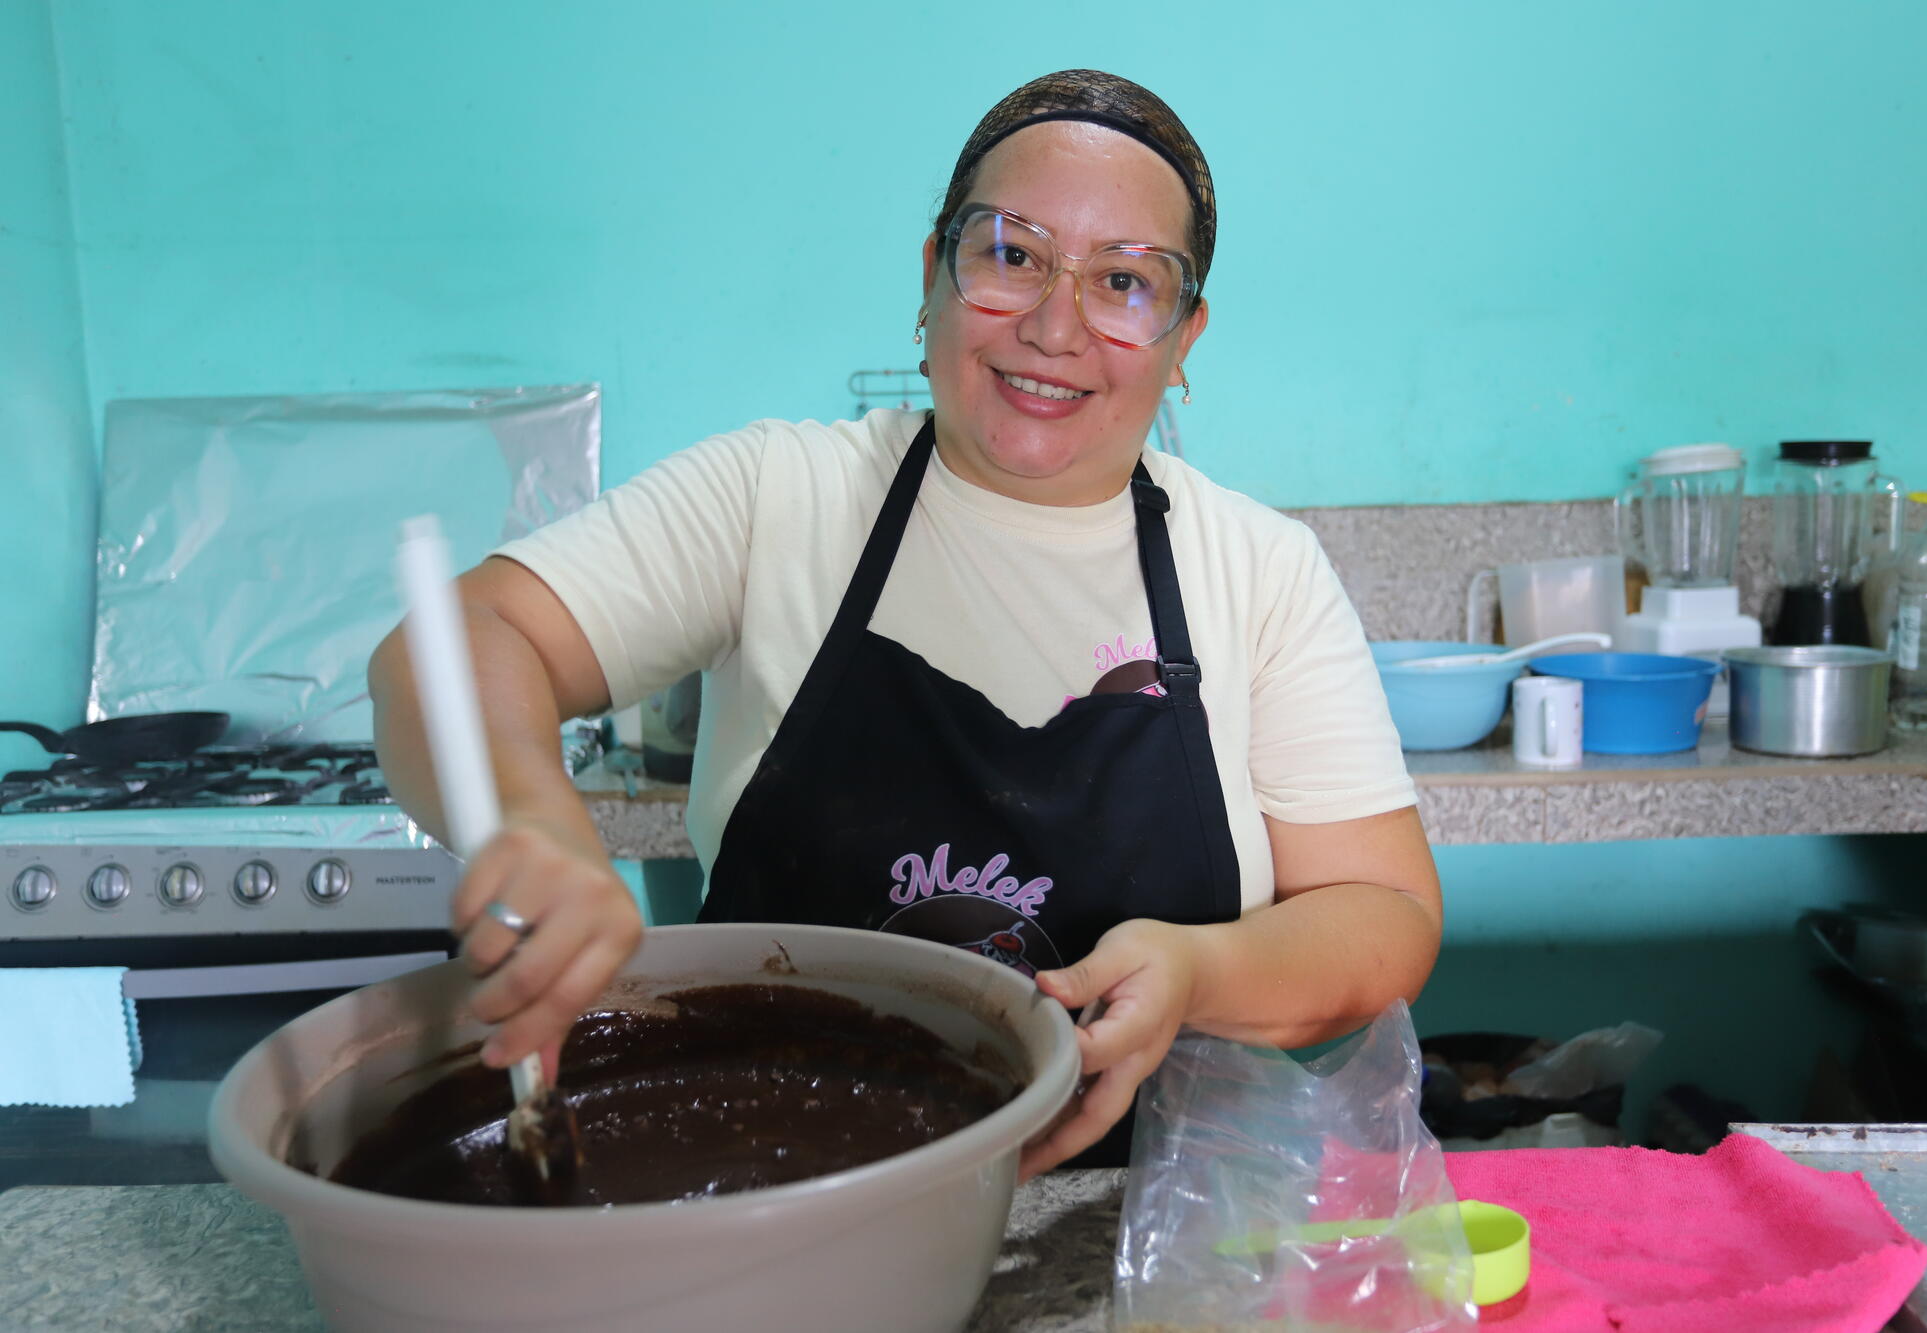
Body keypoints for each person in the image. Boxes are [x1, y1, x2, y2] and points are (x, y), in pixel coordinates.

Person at [369, 69, 1442, 1174]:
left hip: (1136, 1223)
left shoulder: (1257, 568)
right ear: (932, 275)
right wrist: (531, 823)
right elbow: (455, 643)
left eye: (1123, 282)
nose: (1054, 324)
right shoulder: (776, 496)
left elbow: (1384, 910)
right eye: (1011, 255)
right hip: (772, 1197)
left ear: (1182, 336)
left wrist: (1199, 972)